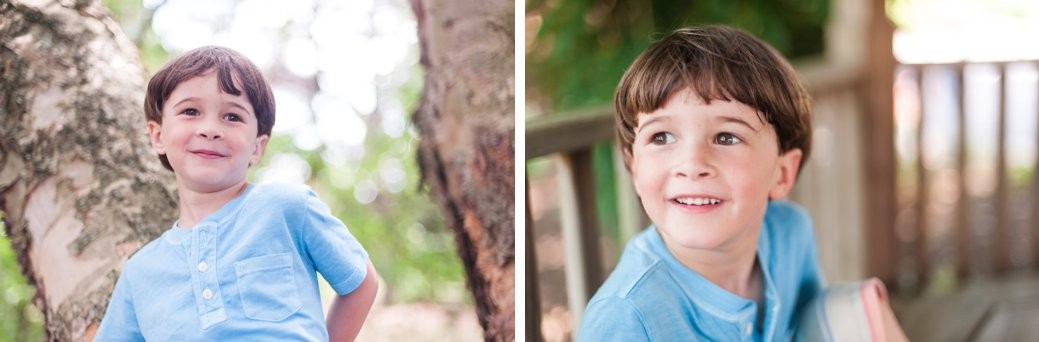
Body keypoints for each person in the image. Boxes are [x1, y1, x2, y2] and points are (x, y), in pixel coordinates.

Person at [95, 46, 378, 341]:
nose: (210, 129)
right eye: (190, 111)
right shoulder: (141, 272)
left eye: (232, 117)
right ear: (158, 136)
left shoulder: (287, 208)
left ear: (257, 146)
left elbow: (360, 282)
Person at [577, 25, 821, 341]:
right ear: (635, 169)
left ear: (782, 173)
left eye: (727, 137)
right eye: (661, 136)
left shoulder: (791, 234)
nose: (692, 165)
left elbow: (819, 325)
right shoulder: (626, 317)